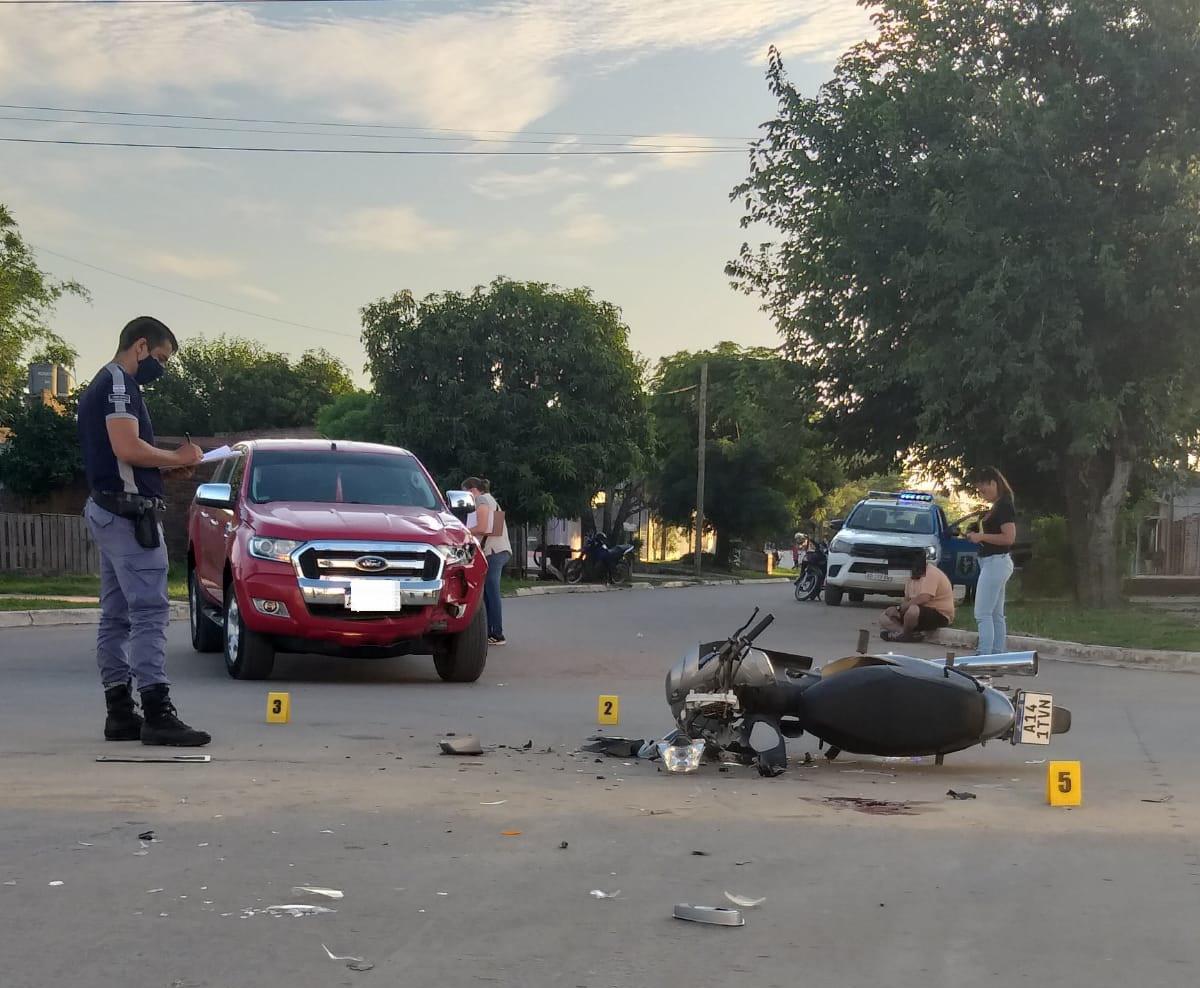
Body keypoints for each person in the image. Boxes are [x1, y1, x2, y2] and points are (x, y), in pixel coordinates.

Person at [77, 316, 209, 746]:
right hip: (129, 519)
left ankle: (120, 713)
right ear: (139, 346)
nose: (161, 367)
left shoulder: (101, 383)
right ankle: (157, 712)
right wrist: (179, 455)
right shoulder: (119, 384)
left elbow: (122, 464)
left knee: (115, 616)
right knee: (150, 613)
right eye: (160, 357)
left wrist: (167, 472)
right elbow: (126, 448)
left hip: (109, 508)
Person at [967, 466, 1017, 655]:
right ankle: (997, 654)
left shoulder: (1004, 506)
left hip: (996, 562)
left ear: (994, 483)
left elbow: (1009, 538)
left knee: (982, 613)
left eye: (983, 489)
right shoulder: (999, 505)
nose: (982, 494)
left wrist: (982, 538)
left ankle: (984, 653)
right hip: (994, 561)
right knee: (996, 614)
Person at [463, 477, 511, 647]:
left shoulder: (482, 500)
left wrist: (464, 531)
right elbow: (494, 529)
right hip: (499, 550)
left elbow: (483, 528)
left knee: (491, 593)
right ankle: (491, 632)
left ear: (472, 490)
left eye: (465, 492)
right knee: (488, 593)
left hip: (493, 552)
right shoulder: (492, 500)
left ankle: (496, 633)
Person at [880, 554, 954, 643]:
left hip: (939, 613)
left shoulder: (931, 573)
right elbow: (907, 600)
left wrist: (901, 608)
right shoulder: (910, 578)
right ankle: (902, 632)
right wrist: (896, 610)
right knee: (885, 616)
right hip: (917, 614)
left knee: (913, 609)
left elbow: (924, 598)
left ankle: (903, 634)